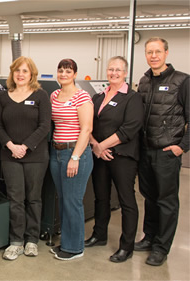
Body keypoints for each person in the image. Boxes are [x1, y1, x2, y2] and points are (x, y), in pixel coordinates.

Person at [135, 37, 189, 266]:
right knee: (149, 197)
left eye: (158, 51)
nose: (153, 56)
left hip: (167, 152)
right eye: (149, 52)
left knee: (166, 201)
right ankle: (149, 236)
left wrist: (181, 147)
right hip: (145, 150)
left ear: (166, 53)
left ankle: (161, 247)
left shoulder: (182, 81)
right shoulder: (144, 80)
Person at [87, 56, 143, 263]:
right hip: (100, 155)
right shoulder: (98, 97)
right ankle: (99, 235)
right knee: (101, 198)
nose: (114, 73)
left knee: (127, 201)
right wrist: (95, 145)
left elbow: (129, 128)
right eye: (111, 69)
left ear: (125, 73)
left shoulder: (132, 98)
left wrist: (103, 145)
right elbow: (89, 124)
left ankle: (126, 246)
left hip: (122, 156)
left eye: (118, 70)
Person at [0, 56, 51, 261]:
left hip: (35, 156)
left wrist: (25, 147)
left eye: (25, 71)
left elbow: (45, 125)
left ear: (31, 74)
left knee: (33, 198)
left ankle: (32, 240)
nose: (20, 74)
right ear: (12, 73)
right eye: (17, 70)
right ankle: (16, 241)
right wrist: (11, 145)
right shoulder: (2, 96)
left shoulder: (41, 95)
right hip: (9, 155)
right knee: (15, 198)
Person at [49, 58, 94, 261]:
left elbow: (86, 129)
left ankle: (75, 248)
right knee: (64, 199)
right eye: (61, 71)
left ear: (75, 74)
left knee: (73, 201)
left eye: (68, 71)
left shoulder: (82, 97)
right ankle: (67, 242)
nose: (63, 74)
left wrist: (75, 157)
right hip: (56, 152)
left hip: (75, 154)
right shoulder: (54, 95)